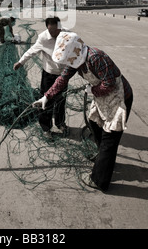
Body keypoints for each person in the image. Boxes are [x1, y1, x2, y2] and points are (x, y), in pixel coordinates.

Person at [33, 31, 133, 192]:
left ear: (75, 50)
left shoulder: (96, 57)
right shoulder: (76, 61)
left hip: (119, 97)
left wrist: (93, 90)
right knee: (95, 125)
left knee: (110, 138)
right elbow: (62, 79)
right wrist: (46, 97)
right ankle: (104, 160)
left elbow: (110, 84)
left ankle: (99, 180)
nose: (67, 62)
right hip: (103, 97)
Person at [13, 17, 71, 136]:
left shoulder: (67, 34)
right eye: (51, 31)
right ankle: (46, 128)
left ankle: (60, 123)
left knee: (61, 100)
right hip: (49, 74)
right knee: (45, 101)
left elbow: (78, 49)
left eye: (56, 31)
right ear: (47, 28)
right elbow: (32, 51)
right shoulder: (43, 37)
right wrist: (21, 62)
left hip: (63, 74)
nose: (54, 34)